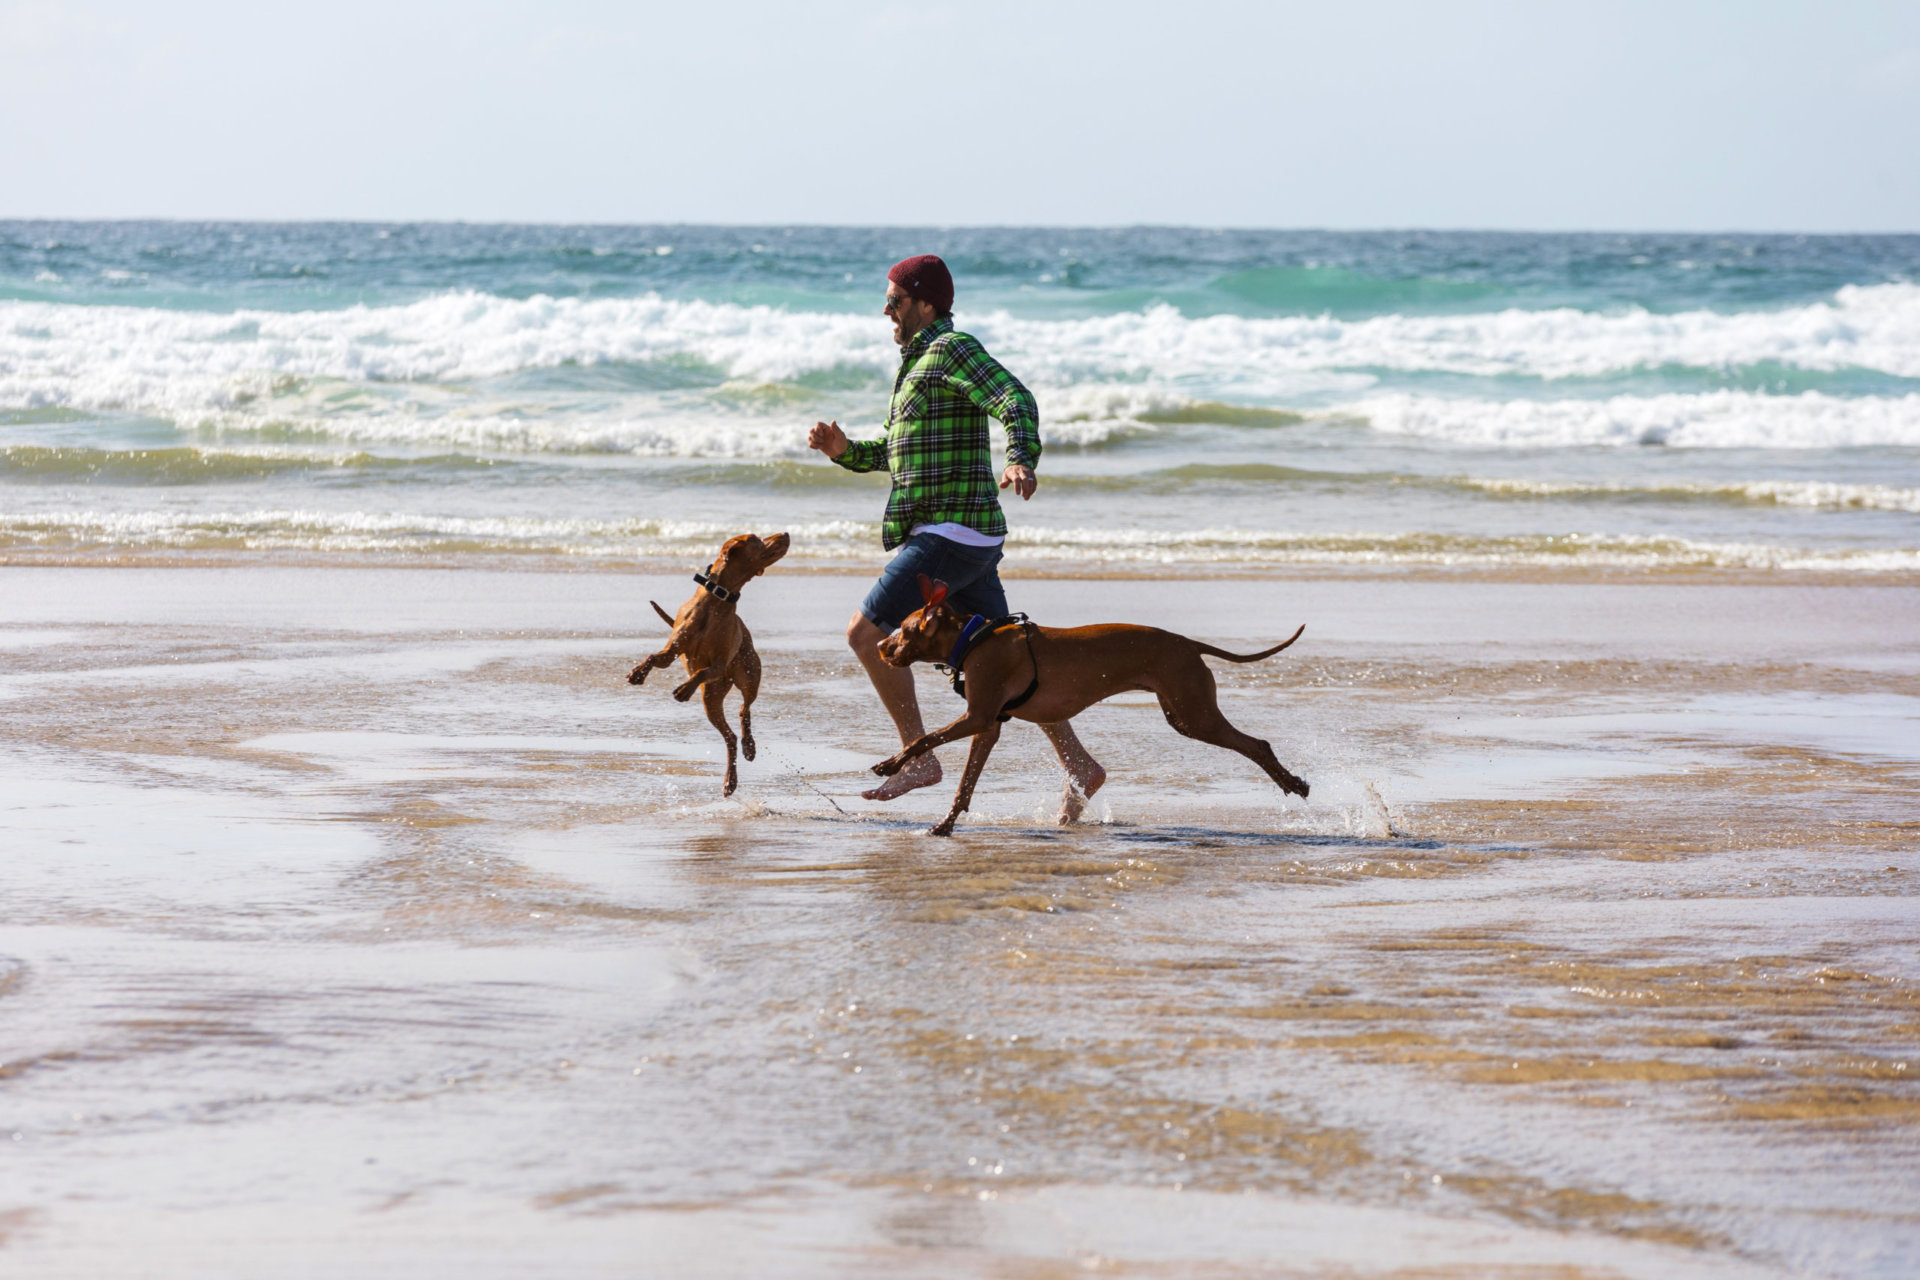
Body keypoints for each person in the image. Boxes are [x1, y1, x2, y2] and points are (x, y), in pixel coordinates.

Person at [807, 254, 1105, 820]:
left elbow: (1014, 400)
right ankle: (1079, 765)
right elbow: (895, 458)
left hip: (951, 534)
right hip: (965, 539)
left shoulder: (951, 349)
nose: (886, 310)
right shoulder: (916, 366)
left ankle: (918, 759)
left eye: (894, 300)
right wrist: (843, 452)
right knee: (1007, 664)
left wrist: (1019, 459)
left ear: (926, 304)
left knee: (866, 634)